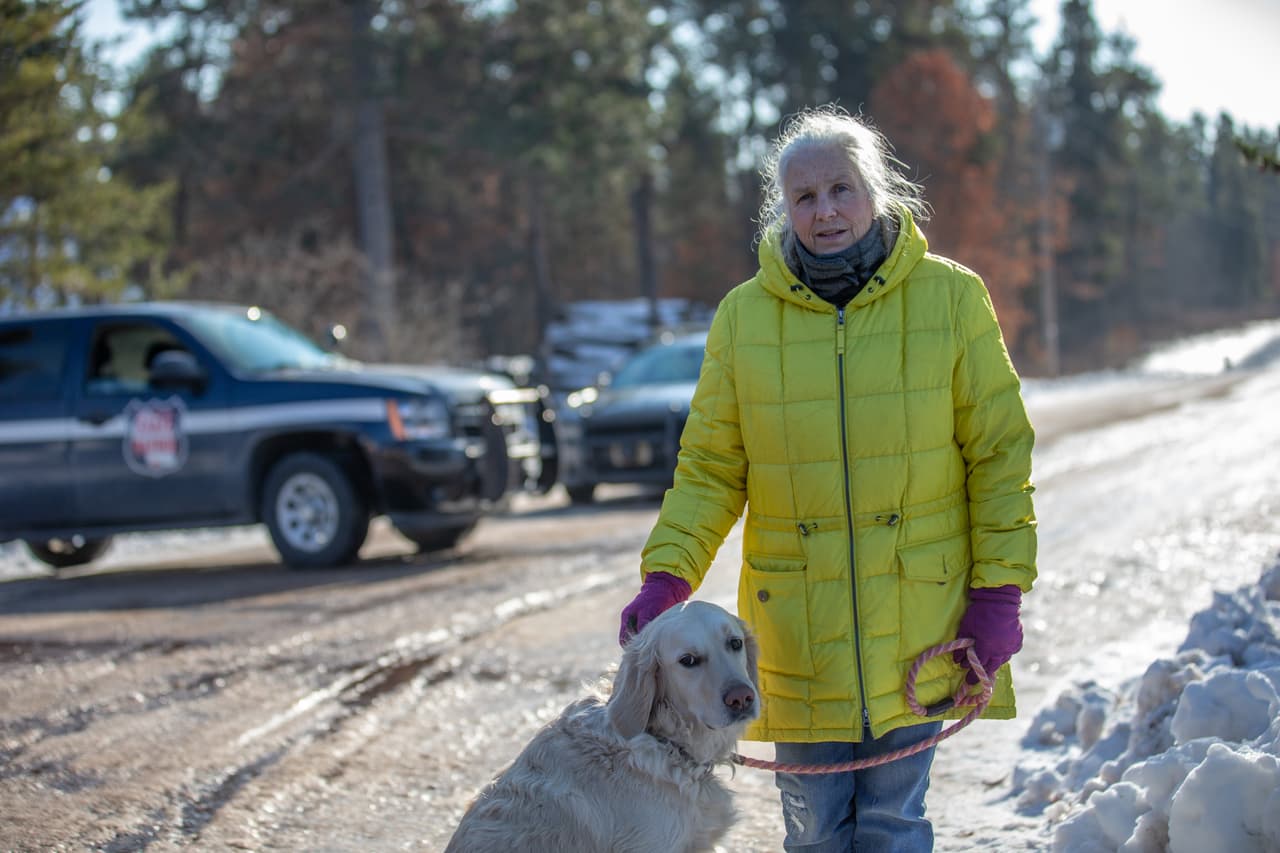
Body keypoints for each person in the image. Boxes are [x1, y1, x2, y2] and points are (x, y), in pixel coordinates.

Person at [618, 105, 1036, 852]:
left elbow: (999, 455)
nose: (826, 211)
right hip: (793, 636)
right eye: (805, 197)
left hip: (918, 619)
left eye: (841, 188)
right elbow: (711, 469)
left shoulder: (952, 298)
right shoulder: (744, 319)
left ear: (876, 191)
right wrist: (666, 577)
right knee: (812, 837)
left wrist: (998, 591)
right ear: (786, 209)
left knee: (892, 826)